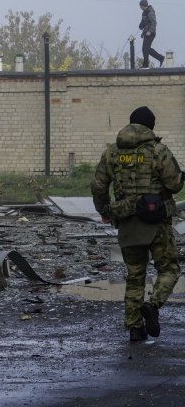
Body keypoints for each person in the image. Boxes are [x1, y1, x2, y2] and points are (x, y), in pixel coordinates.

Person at [91, 106, 183, 341]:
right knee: (169, 268)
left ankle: (135, 327)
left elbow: (99, 185)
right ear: (151, 127)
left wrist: (105, 211)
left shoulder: (112, 153)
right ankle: (153, 304)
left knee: (134, 275)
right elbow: (174, 185)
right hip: (157, 221)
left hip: (127, 220)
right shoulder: (158, 151)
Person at [138, 0, 165, 68]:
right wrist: (141, 26)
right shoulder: (144, 13)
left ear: (144, 5)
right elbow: (144, 22)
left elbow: (154, 22)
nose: (140, 8)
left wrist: (150, 31)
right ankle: (160, 58)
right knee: (146, 49)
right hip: (146, 33)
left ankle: (146, 64)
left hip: (151, 33)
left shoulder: (150, 12)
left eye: (141, 6)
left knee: (145, 48)